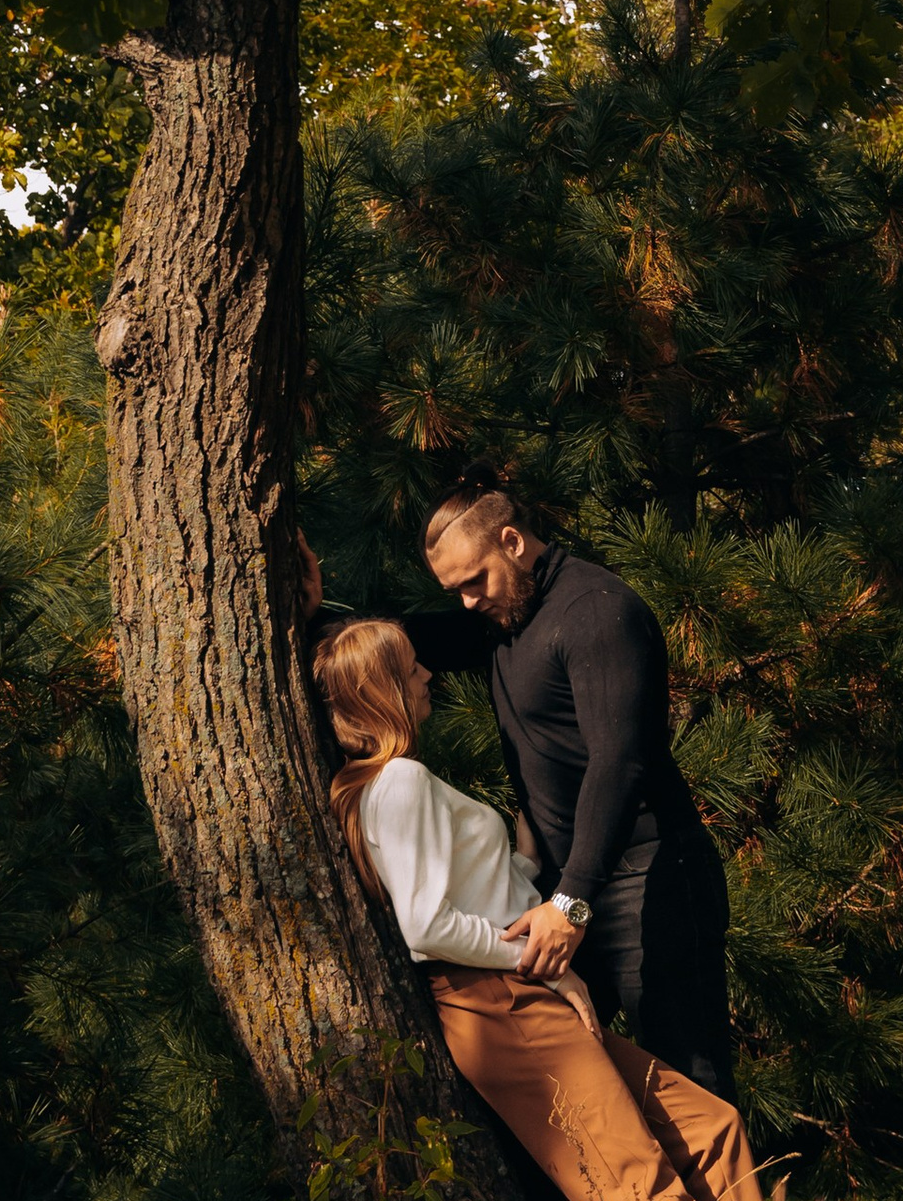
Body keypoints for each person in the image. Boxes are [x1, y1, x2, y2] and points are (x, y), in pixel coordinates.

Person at [300, 471, 737, 1099]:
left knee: (692, 1084)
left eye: (474, 582)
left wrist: (572, 902)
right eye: (455, 591)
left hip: (649, 882)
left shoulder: (595, 611)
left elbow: (621, 764)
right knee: (575, 1090)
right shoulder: (501, 617)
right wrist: (315, 613)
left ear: (511, 541)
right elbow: (390, 646)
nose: (469, 602)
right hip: (562, 894)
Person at [311, 615, 764, 1201]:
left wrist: (521, 864)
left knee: (711, 1130)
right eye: (410, 667)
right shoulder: (400, 780)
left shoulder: (387, 783)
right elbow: (424, 926)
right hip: (502, 1001)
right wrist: (543, 959)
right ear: (384, 691)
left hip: (512, 990)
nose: (427, 672)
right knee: (634, 1183)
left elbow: (463, 895)